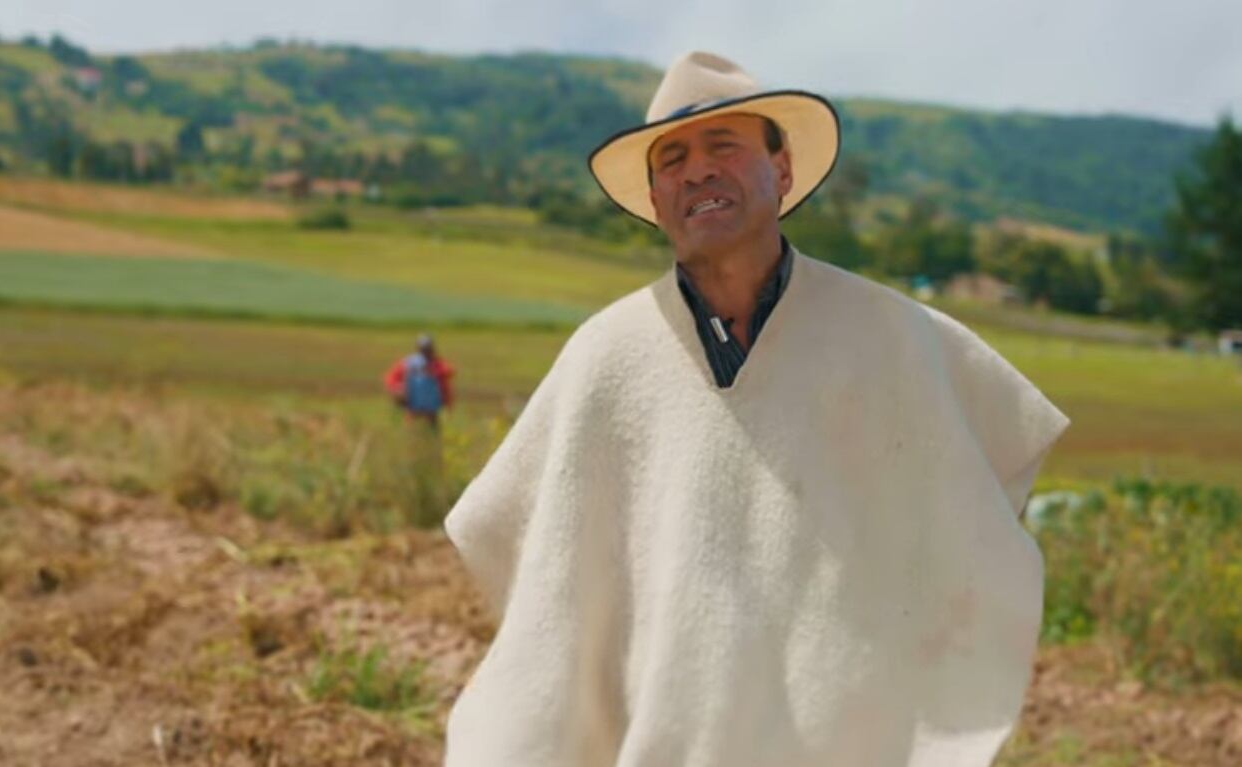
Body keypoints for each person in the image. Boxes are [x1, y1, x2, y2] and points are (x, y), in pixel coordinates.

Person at [442, 52, 1069, 767]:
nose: (698, 171)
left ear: (783, 171)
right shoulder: (606, 356)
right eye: (672, 159)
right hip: (660, 734)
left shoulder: (893, 337)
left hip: (838, 736)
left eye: (724, 146)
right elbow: (521, 541)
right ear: (654, 199)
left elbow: (993, 469)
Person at [383, 334, 455, 429]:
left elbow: (446, 380)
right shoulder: (409, 363)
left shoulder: (438, 365)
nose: (426, 351)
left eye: (427, 348)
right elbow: (391, 379)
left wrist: (447, 403)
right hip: (416, 407)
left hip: (429, 408)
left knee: (429, 429)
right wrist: (399, 390)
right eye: (424, 349)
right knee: (415, 429)